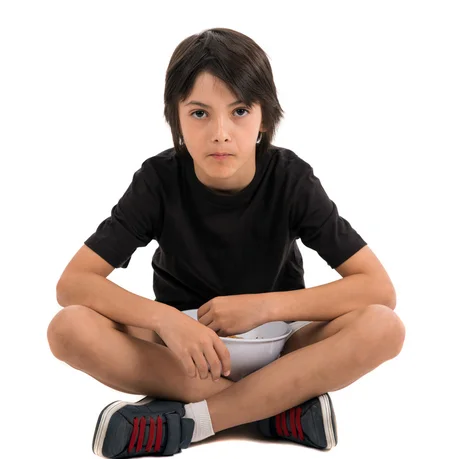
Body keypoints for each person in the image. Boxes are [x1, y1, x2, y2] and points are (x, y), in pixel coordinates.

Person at [47, 27, 405, 458]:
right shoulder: (158, 181)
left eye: (239, 111)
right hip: (183, 354)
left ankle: (195, 423)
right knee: (68, 328)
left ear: (264, 118)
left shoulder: (290, 179)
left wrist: (265, 306)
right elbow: (74, 283)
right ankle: (273, 409)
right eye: (200, 113)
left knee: (384, 327)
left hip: (283, 345)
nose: (220, 132)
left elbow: (377, 289)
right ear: (176, 118)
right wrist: (166, 320)